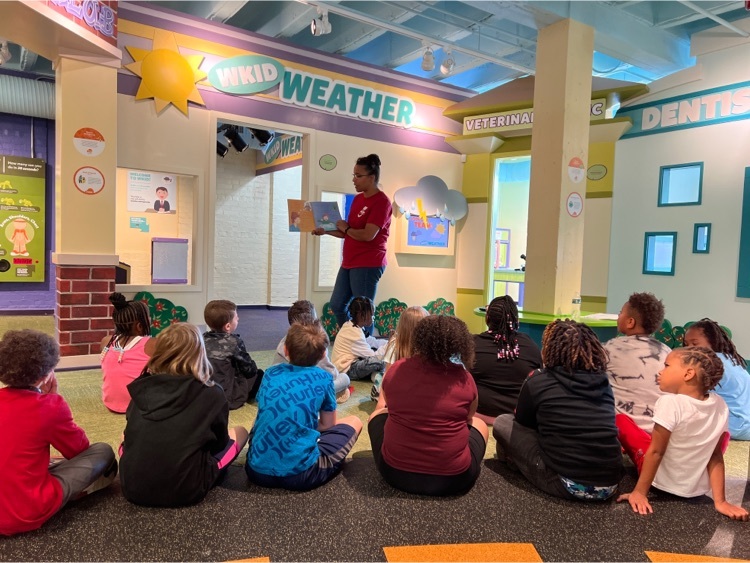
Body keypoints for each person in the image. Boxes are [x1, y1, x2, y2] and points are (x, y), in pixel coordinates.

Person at [0, 329, 117, 536]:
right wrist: (52, 400)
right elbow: (79, 450)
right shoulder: (50, 407)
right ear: (46, 375)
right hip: (27, 511)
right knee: (103, 451)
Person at [493, 320, 624, 501]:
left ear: (549, 349)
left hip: (564, 483)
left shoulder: (538, 380)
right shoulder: (603, 382)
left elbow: (523, 422)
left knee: (502, 422)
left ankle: (514, 462)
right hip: (610, 484)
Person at [120, 323, 248, 507]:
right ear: (199, 353)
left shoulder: (141, 386)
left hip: (131, 486)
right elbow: (219, 444)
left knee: (125, 438)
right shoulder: (212, 393)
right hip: (187, 490)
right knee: (240, 432)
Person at [616, 347, 748, 520]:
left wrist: (640, 493)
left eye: (667, 366)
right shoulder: (720, 404)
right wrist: (721, 501)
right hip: (694, 490)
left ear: (688, 374)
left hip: (660, 483)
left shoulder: (670, 402)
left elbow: (656, 452)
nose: (661, 371)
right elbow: (715, 455)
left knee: (621, 421)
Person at [368, 315, 488, 496]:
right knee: (480, 424)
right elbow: (469, 417)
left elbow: (390, 408)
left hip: (394, 473)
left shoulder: (396, 369)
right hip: (454, 480)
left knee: (377, 416)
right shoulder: (465, 379)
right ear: (460, 344)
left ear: (419, 338)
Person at [246, 321, 363, 491]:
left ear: (285, 350)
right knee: (354, 421)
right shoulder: (324, 378)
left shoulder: (271, 373)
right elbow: (328, 424)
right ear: (324, 354)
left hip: (256, 472)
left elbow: (265, 412)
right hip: (301, 475)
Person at [313, 154, 392, 331]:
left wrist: (346, 229)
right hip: (350, 262)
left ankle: (365, 348)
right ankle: (351, 338)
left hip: (368, 262)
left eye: (358, 175)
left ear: (371, 178)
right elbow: (348, 233)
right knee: (337, 304)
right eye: (353, 175)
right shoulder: (358, 199)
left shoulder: (382, 202)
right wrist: (325, 231)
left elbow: (368, 235)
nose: (354, 180)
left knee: (363, 312)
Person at [604, 292, 670, 433]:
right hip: (658, 429)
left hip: (622, 428)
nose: (618, 316)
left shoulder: (611, 347)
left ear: (630, 322)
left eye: (621, 313)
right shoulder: (666, 351)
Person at [469, 296, 542, 424]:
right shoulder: (530, 345)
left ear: (487, 318)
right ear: (515, 320)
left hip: (479, 416)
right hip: (517, 417)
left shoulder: (473, 345)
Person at [272, 299, 352, 403]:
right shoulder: (314, 343)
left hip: (279, 390)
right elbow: (331, 375)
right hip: (305, 390)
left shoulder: (284, 341)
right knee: (344, 378)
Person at [683, 319, 750, 440]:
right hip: (746, 425)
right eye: (686, 345)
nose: (689, 349)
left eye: (695, 344)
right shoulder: (731, 359)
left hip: (732, 427)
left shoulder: (709, 363)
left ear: (712, 342)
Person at [202, 300, 264, 410]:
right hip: (227, 396)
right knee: (259, 374)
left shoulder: (201, 339)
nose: (238, 319)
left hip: (204, 393)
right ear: (228, 326)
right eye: (236, 317)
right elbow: (249, 369)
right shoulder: (234, 342)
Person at [100, 292, 155, 413]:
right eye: (149, 318)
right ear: (140, 326)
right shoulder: (152, 344)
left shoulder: (106, 341)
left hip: (110, 403)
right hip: (139, 406)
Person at [373, 305, 429, 403]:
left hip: (411, 388)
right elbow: (388, 375)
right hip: (402, 387)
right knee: (380, 377)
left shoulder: (427, 345)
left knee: (378, 377)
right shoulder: (395, 344)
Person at [331, 296, 386, 381]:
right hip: (347, 370)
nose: (372, 318)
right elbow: (373, 356)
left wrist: (388, 342)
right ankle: (377, 375)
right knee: (379, 361)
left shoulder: (353, 326)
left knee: (376, 350)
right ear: (361, 315)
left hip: (353, 363)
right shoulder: (354, 334)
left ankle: (375, 375)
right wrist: (388, 348)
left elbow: (371, 341)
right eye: (371, 315)